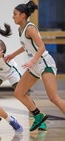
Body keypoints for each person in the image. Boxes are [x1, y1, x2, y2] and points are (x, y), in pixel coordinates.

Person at [5, 1, 65, 131]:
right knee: (18, 92)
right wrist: (13, 54)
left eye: (15, 14)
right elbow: (26, 46)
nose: (13, 16)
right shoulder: (21, 29)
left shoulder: (30, 28)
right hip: (35, 64)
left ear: (23, 15)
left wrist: (32, 61)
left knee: (53, 98)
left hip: (44, 62)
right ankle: (38, 116)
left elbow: (42, 47)